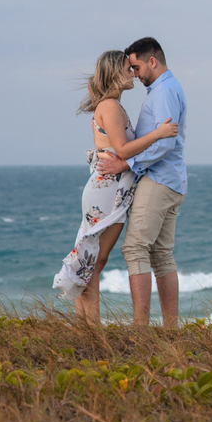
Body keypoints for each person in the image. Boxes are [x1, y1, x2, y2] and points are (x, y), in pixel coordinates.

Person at [53, 50, 178, 323]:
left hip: (113, 191)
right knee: (95, 259)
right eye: (127, 68)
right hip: (106, 190)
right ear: (114, 73)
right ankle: (91, 327)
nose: (132, 73)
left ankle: (86, 325)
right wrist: (158, 133)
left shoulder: (113, 105)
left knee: (95, 259)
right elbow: (121, 149)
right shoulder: (109, 106)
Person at [95, 37, 187, 327]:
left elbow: (165, 144)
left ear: (152, 61)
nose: (133, 73)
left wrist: (125, 163)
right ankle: (170, 329)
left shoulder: (163, 92)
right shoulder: (166, 89)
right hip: (170, 179)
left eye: (135, 67)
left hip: (159, 178)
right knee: (160, 254)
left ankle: (140, 327)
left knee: (134, 248)